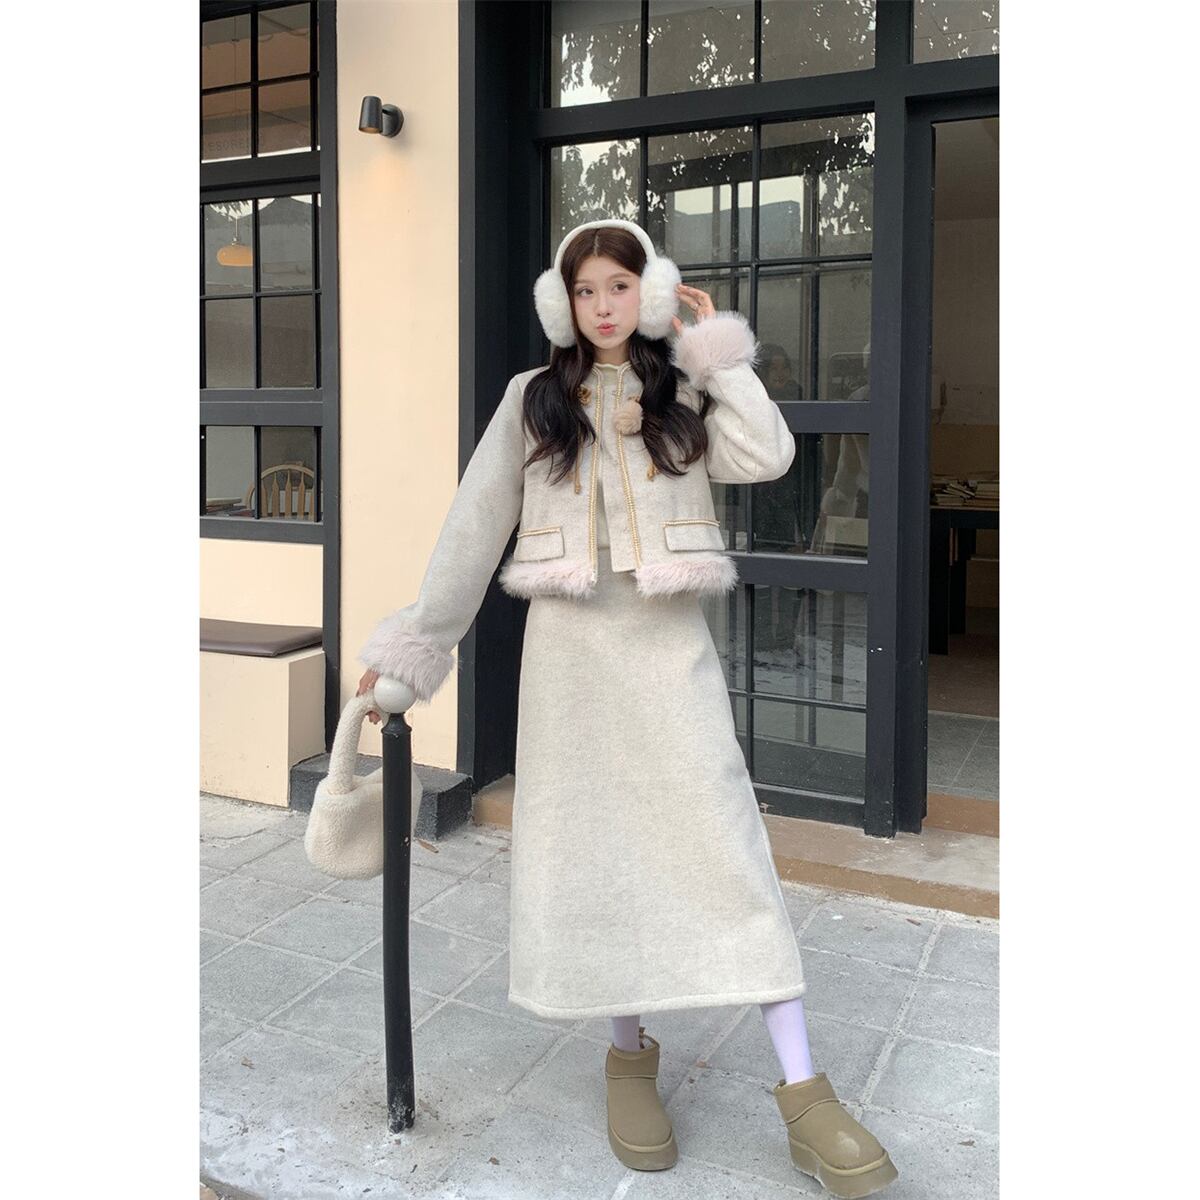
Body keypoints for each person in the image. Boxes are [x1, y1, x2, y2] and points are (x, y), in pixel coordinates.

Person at [356, 218, 897, 1197]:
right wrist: (416, 648)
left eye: (620, 286)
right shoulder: (531, 400)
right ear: (562, 302)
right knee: (600, 854)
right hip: (569, 665)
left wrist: (714, 352)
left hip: (668, 651)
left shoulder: (681, 391)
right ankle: (627, 1058)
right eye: (586, 289)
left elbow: (769, 454)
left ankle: (805, 1094)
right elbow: (474, 530)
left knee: (726, 850)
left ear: (647, 293)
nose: (602, 305)